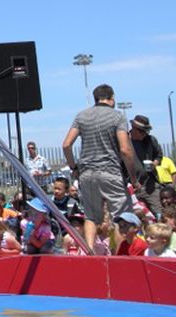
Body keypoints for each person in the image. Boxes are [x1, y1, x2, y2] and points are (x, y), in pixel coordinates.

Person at [62, 84, 138, 250]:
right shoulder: (117, 117)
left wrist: (74, 167)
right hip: (110, 171)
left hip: (87, 173)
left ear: (96, 99)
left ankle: (89, 252)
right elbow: (125, 150)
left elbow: (67, 145)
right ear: (112, 99)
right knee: (121, 217)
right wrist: (133, 178)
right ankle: (120, 256)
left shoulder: (81, 116)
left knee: (90, 216)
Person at [128, 115, 164, 217]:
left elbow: (159, 155)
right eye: (142, 131)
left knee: (159, 213)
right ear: (133, 128)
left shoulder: (150, 140)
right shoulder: (124, 141)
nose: (144, 134)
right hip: (131, 186)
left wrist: (155, 163)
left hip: (150, 185)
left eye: (146, 131)